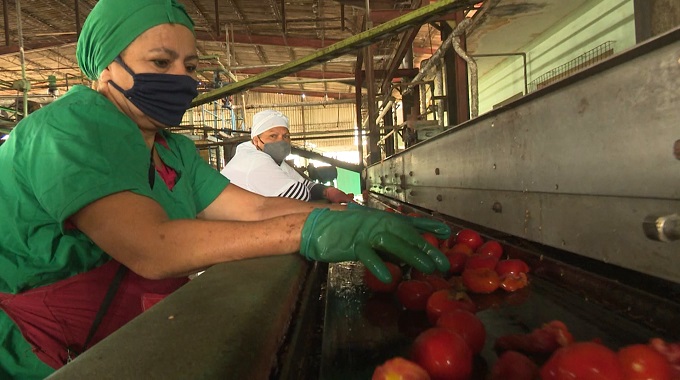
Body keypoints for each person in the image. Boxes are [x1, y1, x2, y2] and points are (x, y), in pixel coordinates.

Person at [0, 0, 450, 378]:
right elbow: (151, 246)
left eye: (189, 65)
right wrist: (309, 230)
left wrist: (348, 219)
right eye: (161, 62)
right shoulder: (67, 130)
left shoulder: (170, 149)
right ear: (105, 66)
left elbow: (251, 211)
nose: (180, 77)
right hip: (37, 347)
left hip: (114, 336)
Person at [221, 109, 354, 203]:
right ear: (256, 140)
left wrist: (329, 191)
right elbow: (300, 197)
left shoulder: (275, 161)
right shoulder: (255, 161)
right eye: (273, 136)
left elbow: (305, 184)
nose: (281, 141)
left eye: (286, 136)